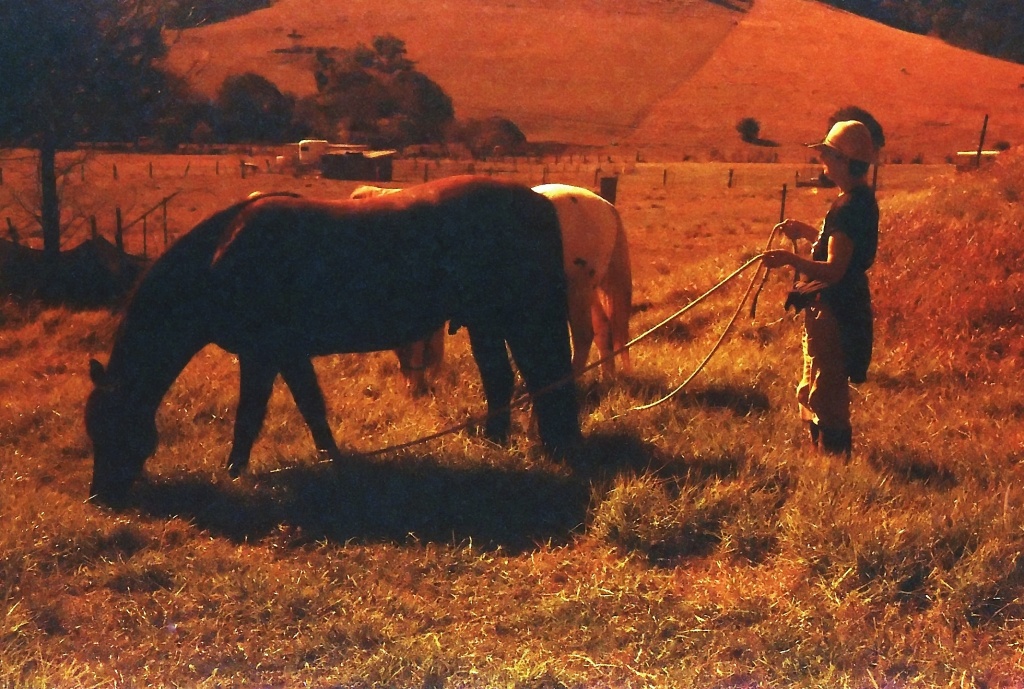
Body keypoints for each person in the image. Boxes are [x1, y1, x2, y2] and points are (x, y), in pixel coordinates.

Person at [762, 119, 880, 459]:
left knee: (826, 390)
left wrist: (789, 259)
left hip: (834, 311)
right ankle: (821, 458)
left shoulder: (845, 210)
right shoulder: (859, 200)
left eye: (827, 154)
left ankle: (834, 465)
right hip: (843, 304)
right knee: (816, 381)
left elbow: (834, 269)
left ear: (844, 161)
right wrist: (809, 232)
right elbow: (843, 250)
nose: (823, 161)